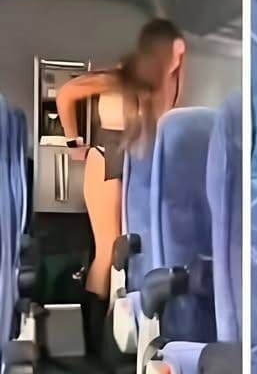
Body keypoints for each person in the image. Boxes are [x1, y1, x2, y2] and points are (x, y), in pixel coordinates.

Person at [56, 18, 186, 353]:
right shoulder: (119, 78)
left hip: (142, 162)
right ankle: (95, 346)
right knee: (108, 250)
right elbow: (66, 94)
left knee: (134, 253)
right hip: (108, 158)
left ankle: (120, 341)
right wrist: (73, 143)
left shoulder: (165, 85)